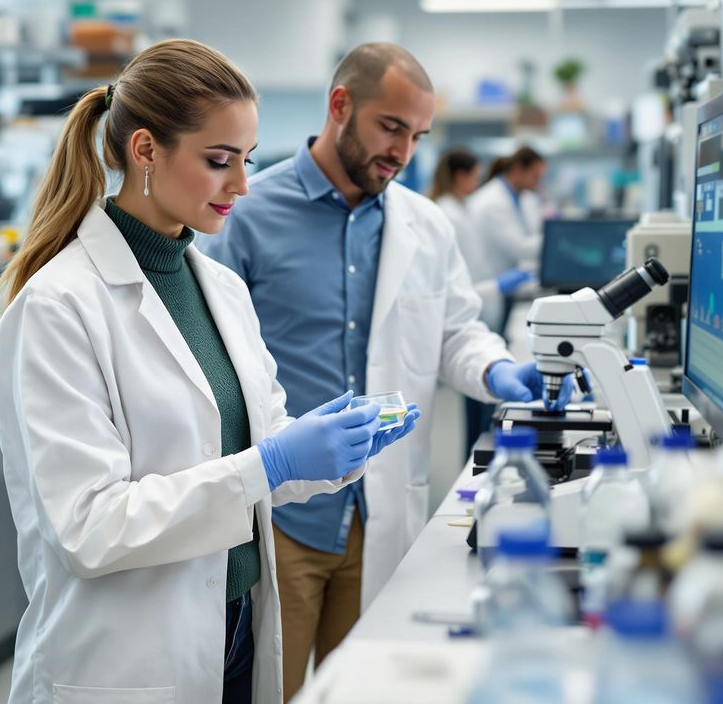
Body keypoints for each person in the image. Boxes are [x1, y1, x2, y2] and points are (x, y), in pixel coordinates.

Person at [0, 39, 419, 704]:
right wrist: (270, 463)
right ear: (146, 152)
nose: (242, 185)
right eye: (219, 161)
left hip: (237, 630)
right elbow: (89, 529)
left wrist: (330, 449)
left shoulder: (218, 288)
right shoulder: (57, 306)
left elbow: (260, 453)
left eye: (246, 161)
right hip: (127, 660)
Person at [200, 43, 571, 699]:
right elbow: (208, 356)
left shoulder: (425, 225)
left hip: (379, 510)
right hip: (282, 516)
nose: (402, 151)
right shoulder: (248, 212)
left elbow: (456, 330)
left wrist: (495, 369)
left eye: (417, 135)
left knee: (369, 689)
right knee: (269, 689)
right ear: (340, 105)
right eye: (390, 127)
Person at [430, 148, 537, 453]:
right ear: (460, 176)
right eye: (475, 176)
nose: (478, 183)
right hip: (475, 303)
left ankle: (475, 457)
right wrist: (497, 286)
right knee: (477, 412)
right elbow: (453, 291)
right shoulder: (448, 214)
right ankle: (473, 459)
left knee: (481, 406)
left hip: (480, 306)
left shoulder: (461, 210)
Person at [464, 146, 549, 331]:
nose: (538, 182)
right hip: (488, 283)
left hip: (506, 287)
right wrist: (556, 238)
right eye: (535, 176)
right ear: (518, 169)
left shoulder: (523, 198)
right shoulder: (491, 202)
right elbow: (521, 247)